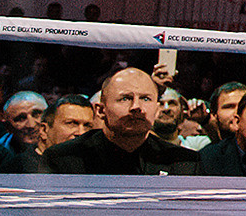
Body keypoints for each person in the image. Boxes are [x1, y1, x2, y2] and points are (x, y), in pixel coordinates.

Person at [41, 68, 199, 176]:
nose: (136, 107)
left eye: (145, 99)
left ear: (156, 110)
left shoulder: (184, 162)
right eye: (125, 98)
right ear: (100, 110)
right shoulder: (63, 159)